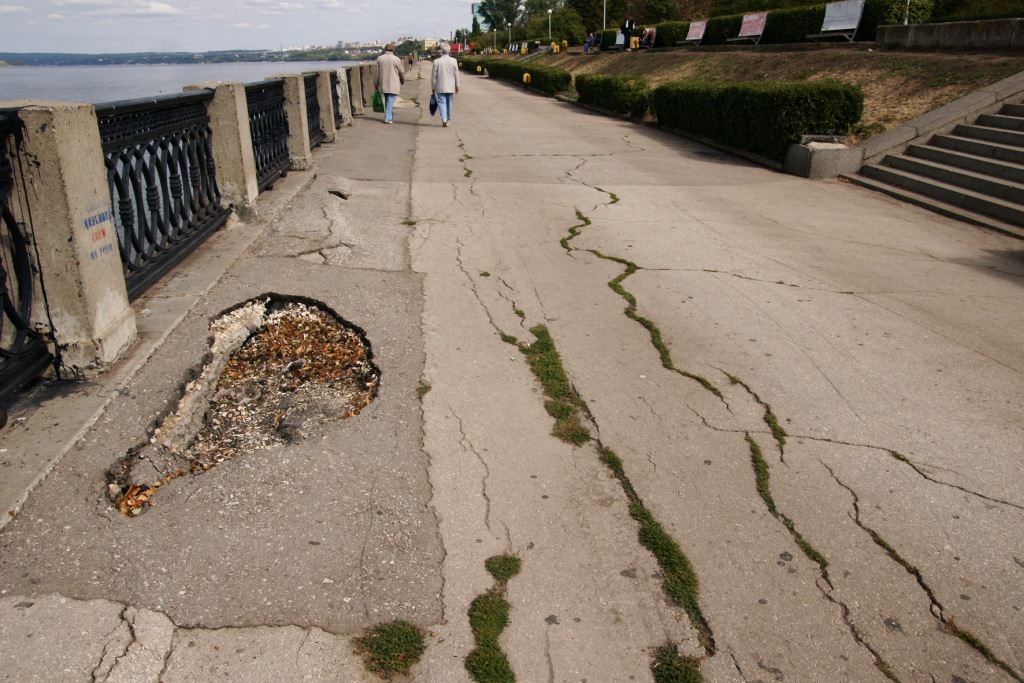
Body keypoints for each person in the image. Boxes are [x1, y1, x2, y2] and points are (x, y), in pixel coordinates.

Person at [430, 43, 460, 127]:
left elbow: (433, 77)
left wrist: (433, 87)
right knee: (449, 103)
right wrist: (457, 85)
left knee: (441, 102)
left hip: (440, 86)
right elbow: (456, 74)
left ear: (441, 51)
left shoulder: (436, 61)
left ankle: (443, 118)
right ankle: (448, 119)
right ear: (449, 51)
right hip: (450, 86)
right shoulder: (453, 61)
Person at [374, 43, 405, 124]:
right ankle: (387, 118)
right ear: (393, 50)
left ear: (385, 49)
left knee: (388, 99)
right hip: (393, 82)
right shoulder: (396, 59)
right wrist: (402, 80)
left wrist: (376, 84)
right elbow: (401, 71)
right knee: (390, 99)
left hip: (383, 82)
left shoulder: (379, 58)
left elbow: (376, 73)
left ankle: (390, 117)